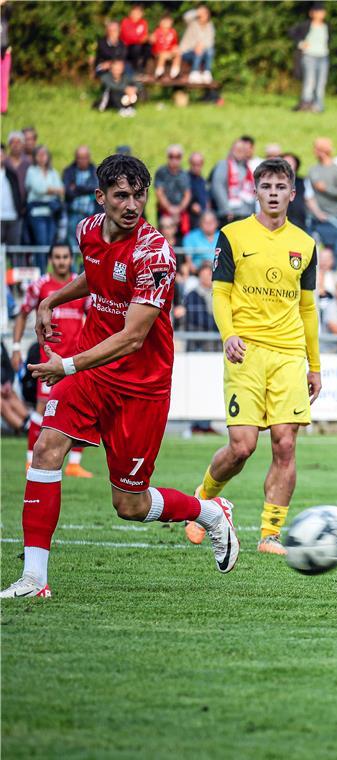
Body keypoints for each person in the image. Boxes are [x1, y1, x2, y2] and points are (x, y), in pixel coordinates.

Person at [2, 155, 240, 599]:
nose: (132, 205)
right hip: (93, 373)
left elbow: (133, 338)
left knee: (129, 505)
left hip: (140, 385)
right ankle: (34, 579)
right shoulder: (87, 231)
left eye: (139, 195)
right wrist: (49, 301)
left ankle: (209, 512)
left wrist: (67, 364)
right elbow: (94, 277)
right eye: (121, 196)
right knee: (45, 448)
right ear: (101, 198)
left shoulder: (155, 254)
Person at [184, 157, 321, 556]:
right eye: (267, 187)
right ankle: (203, 499)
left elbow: (308, 309)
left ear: (292, 194)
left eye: (281, 187)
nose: (274, 193)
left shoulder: (305, 244)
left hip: (289, 354)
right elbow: (221, 293)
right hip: (246, 352)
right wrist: (228, 335)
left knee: (285, 444)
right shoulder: (232, 235)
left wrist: (315, 365)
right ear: (256, 192)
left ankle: (270, 534)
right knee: (242, 446)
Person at [11, 243, 91, 476]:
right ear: (50, 260)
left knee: (83, 408)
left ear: (70, 259)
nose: (61, 261)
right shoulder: (40, 286)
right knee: (42, 408)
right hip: (50, 359)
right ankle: (30, 459)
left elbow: (93, 315)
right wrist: (16, 347)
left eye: (65, 257)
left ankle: (74, 464)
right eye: (57, 257)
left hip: (76, 359)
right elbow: (23, 313)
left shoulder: (80, 285)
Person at [306, 136, 337, 279]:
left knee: (332, 255)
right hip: (315, 218)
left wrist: (326, 189)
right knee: (314, 254)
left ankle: (332, 282)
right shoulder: (313, 170)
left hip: (332, 218)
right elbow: (309, 194)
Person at [291, 3, 330, 113]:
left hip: (323, 57)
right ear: (312, 13)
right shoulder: (306, 25)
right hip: (309, 56)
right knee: (310, 81)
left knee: (321, 82)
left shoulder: (326, 26)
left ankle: (318, 105)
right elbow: (292, 32)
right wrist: (300, 43)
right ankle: (306, 104)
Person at [24, 146, 63, 248]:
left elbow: (61, 189)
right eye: (39, 154)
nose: (42, 157)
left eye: (44, 154)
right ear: (35, 157)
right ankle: (40, 264)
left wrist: (48, 190)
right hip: (37, 212)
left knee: (50, 243)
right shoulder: (31, 171)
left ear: (48, 157)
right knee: (41, 243)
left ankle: (47, 264)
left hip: (51, 212)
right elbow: (38, 189)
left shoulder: (53, 172)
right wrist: (52, 190)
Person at [210, 138, 255, 225]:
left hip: (246, 214)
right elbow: (218, 187)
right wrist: (225, 209)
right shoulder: (223, 164)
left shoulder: (247, 168)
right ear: (232, 150)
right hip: (230, 214)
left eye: (242, 150)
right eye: (237, 149)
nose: (240, 152)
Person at [62, 145, 99, 246]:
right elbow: (68, 191)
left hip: (91, 215)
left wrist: (77, 187)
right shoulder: (69, 171)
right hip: (73, 213)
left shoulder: (96, 172)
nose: (82, 160)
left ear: (89, 158)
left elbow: (96, 188)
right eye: (79, 158)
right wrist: (87, 189)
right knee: (72, 244)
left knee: (91, 244)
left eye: (84, 158)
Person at [153, 144, 190, 234]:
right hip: (164, 212)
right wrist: (170, 209)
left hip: (180, 213)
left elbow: (187, 194)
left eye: (177, 157)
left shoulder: (184, 174)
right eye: (171, 156)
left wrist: (179, 209)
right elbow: (159, 192)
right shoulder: (161, 172)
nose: (174, 160)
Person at [179, 5, 215, 84]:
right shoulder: (192, 23)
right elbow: (186, 16)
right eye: (202, 13)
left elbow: (210, 42)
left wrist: (201, 46)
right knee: (199, 50)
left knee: (210, 50)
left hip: (203, 52)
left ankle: (207, 72)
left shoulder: (210, 26)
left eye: (205, 13)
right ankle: (194, 72)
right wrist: (197, 12)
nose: (203, 15)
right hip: (187, 52)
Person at [151, 12, 180, 79]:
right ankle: (159, 73)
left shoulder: (173, 32)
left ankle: (174, 73)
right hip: (158, 52)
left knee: (178, 54)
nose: (168, 23)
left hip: (169, 52)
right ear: (161, 22)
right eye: (166, 21)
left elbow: (174, 44)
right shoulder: (157, 31)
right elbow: (156, 46)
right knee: (163, 55)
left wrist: (175, 49)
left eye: (169, 21)